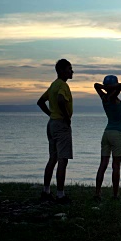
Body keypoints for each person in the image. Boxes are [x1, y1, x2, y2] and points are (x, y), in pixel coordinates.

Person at [37, 59, 74, 204]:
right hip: (60, 125)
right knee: (62, 160)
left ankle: (46, 191)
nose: (72, 71)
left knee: (52, 158)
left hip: (52, 124)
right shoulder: (63, 85)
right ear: (62, 71)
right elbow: (60, 99)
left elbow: (40, 101)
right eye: (69, 69)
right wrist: (65, 117)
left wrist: (51, 114)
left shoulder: (53, 85)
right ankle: (60, 195)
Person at [93, 74, 121, 201]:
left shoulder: (104, 98)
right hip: (117, 133)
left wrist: (105, 87)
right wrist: (109, 87)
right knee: (116, 165)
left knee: (103, 164)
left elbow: (96, 86)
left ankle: (97, 193)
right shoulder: (112, 97)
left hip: (106, 133)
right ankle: (115, 195)